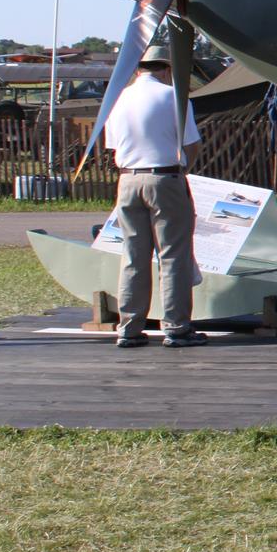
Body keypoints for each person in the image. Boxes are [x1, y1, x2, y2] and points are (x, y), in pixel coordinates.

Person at [102, 42, 205, 347]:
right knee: (173, 255)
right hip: (164, 176)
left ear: (138, 68)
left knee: (134, 256)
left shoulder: (118, 99)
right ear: (166, 68)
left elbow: (113, 147)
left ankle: (129, 327)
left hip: (128, 179)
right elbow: (191, 144)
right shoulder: (174, 96)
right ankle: (176, 326)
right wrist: (184, 169)